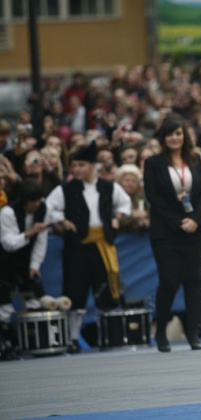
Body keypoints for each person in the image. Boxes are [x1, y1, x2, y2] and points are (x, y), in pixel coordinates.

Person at [46, 141, 131, 353]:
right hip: (77, 246)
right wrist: (62, 220)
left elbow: (125, 203)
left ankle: (107, 336)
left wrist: (117, 217)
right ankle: (73, 339)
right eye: (74, 166)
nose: (76, 170)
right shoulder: (65, 189)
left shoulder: (108, 186)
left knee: (104, 292)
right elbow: (48, 208)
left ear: (93, 165)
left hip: (102, 245)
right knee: (75, 293)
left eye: (81, 165)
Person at [143, 117, 201, 352]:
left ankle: (193, 334)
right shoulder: (153, 163)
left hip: (195, 230)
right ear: (163, 138)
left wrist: (195, 219)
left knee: (194, 282)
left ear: (185, 136)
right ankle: (161, 332)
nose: (174, 138)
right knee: (169, 281)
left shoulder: (195, 159)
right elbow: (153, 197)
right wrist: (178, 221)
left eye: (178, 133)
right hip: (166, 232)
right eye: (170, 134)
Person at [0, 179, 51, 316]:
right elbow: (8, 243)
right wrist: (28, 234)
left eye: (38, 200)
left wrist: (34, 265)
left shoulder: (43, 208)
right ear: (24, 201)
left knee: (35, 302)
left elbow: (41, 240)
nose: (36, 204)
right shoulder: (8, 213)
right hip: (5, 262)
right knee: (4, 307)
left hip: (26, 261)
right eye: (32, 201)